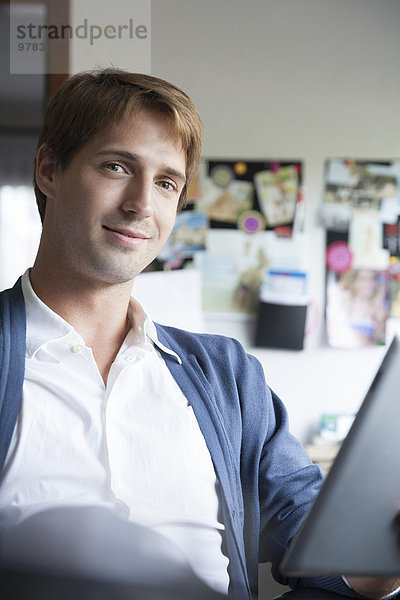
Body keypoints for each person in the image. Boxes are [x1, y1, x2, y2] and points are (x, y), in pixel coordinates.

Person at [0, 68, 398, 600]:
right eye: (117, 166)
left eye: (167, 182)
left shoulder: (227, 376)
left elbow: (323, 547)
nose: (142, 203)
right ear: (49, 170)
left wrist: (379, 559)